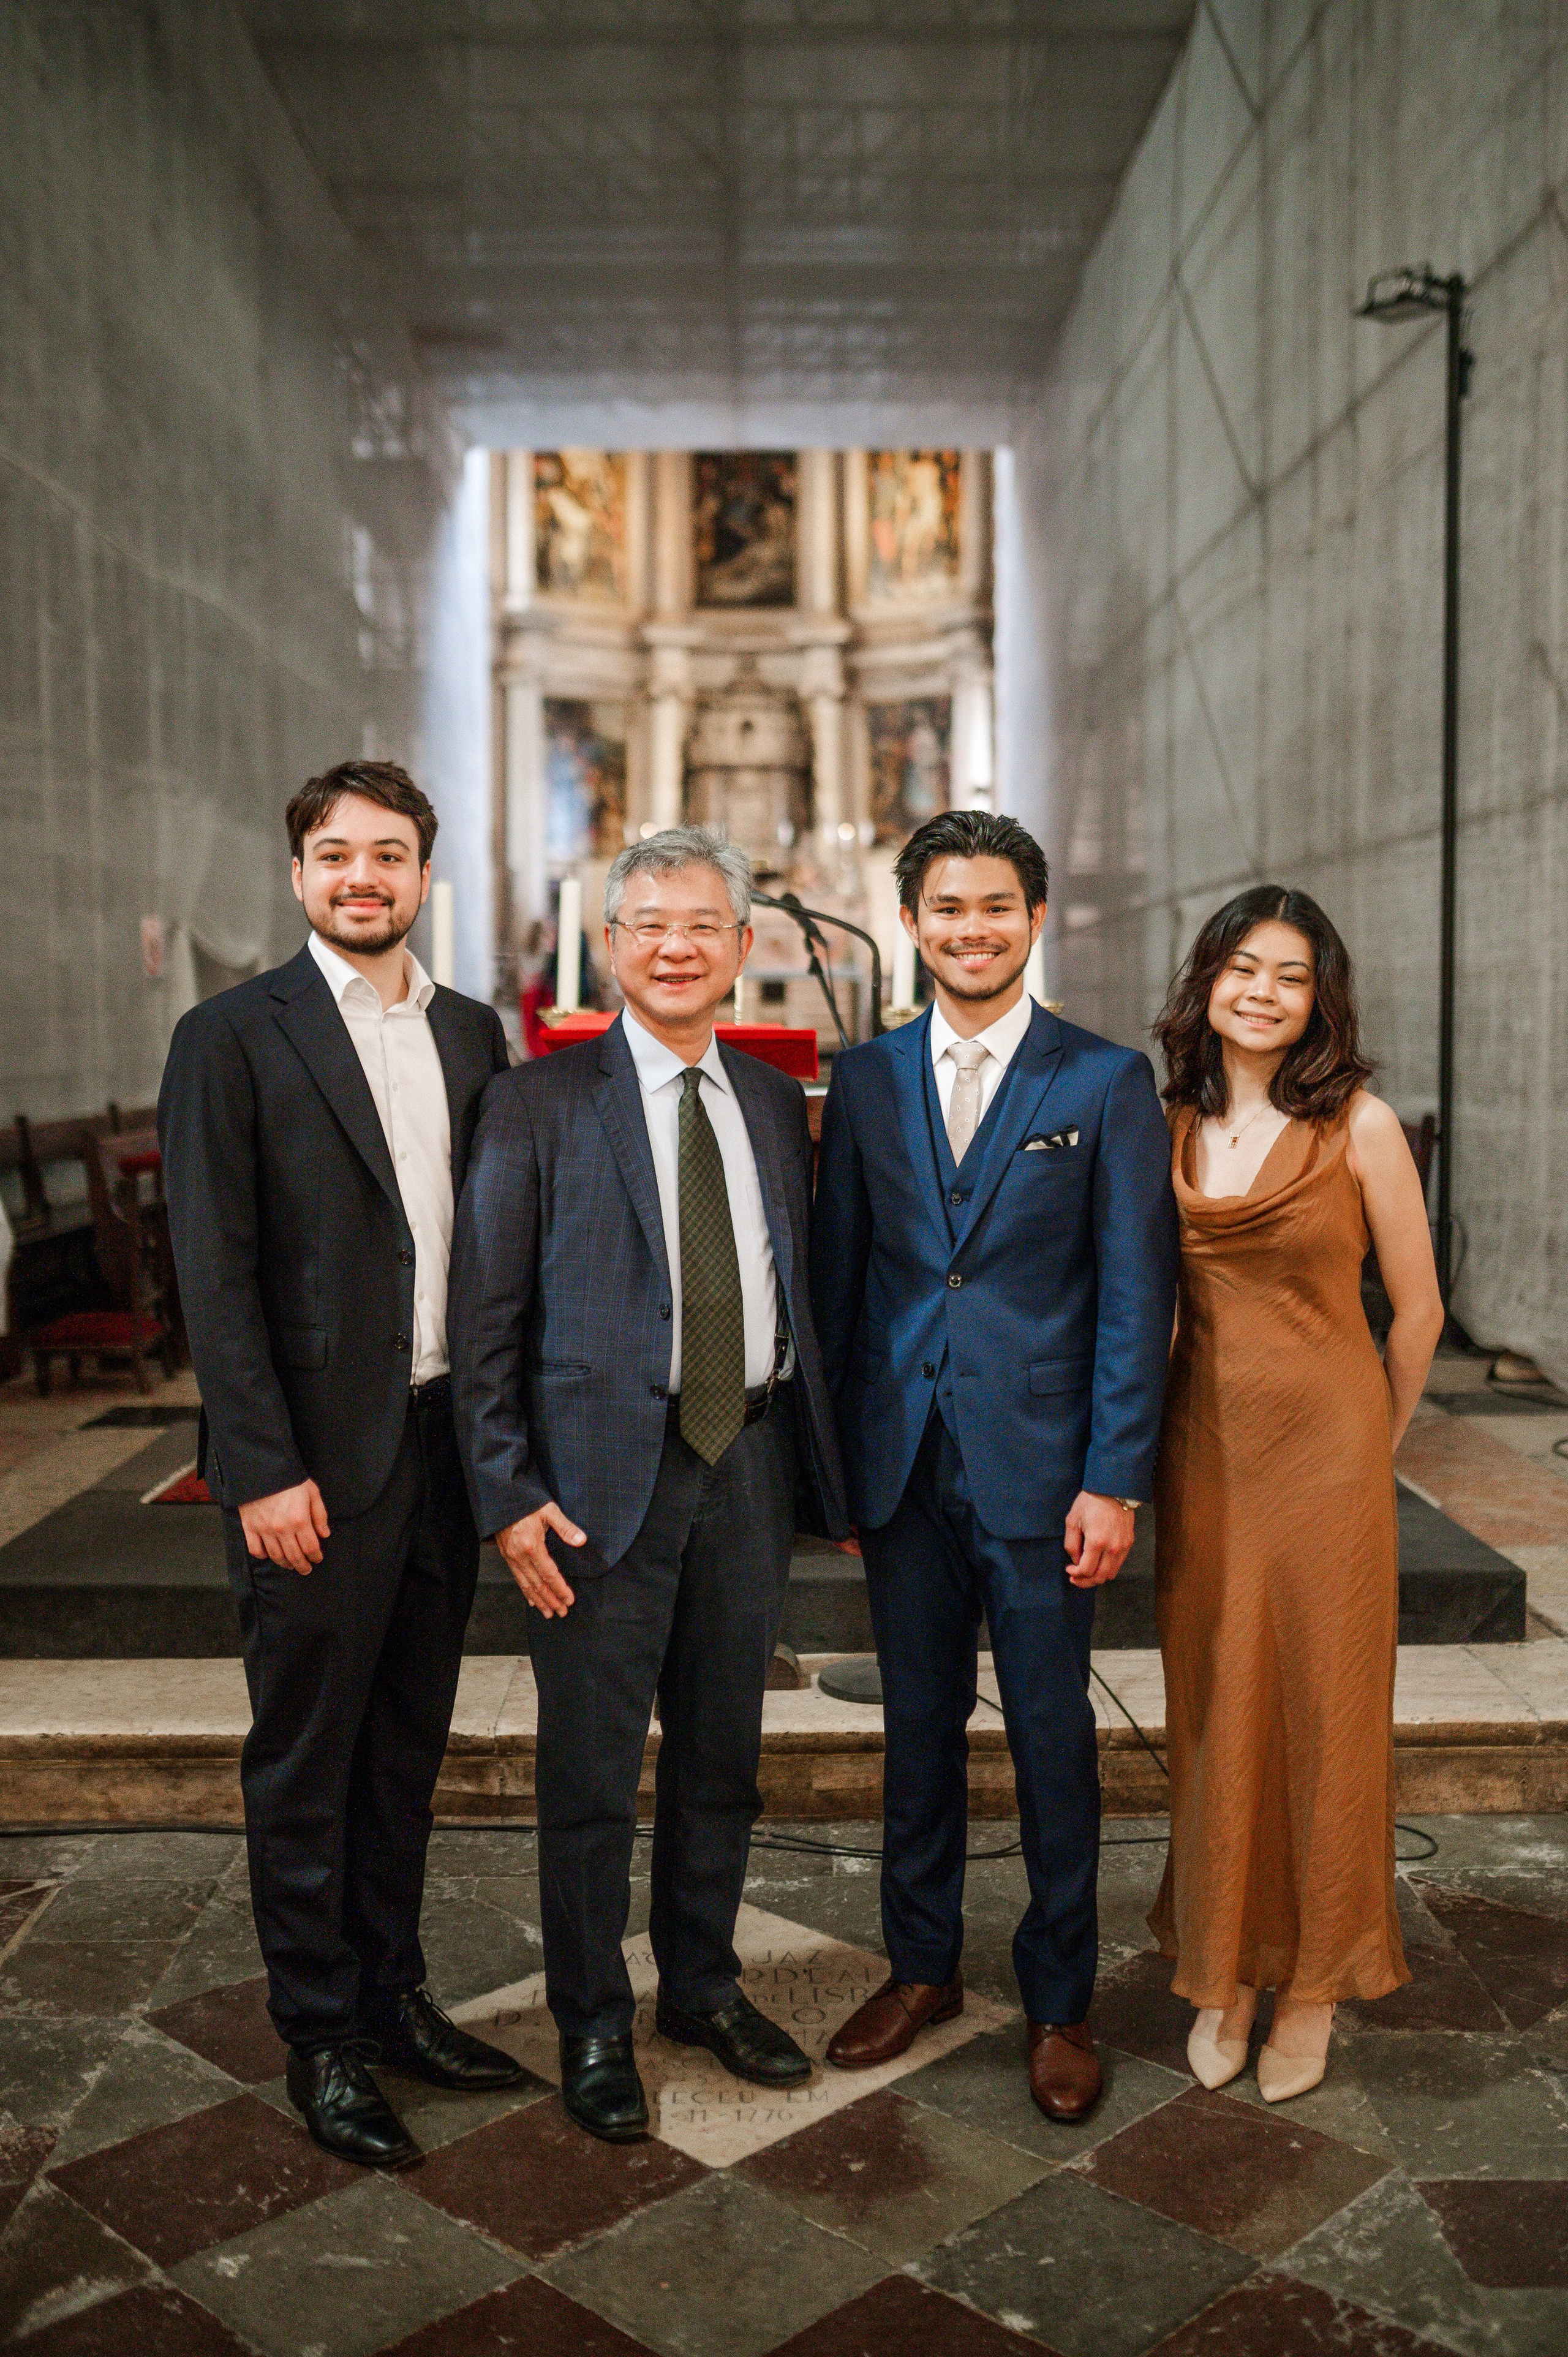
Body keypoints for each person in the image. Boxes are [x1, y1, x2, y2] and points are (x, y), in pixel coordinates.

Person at [450, 824, 849, 2142]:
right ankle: (589, 2019)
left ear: (744, 946)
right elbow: (485, 1316)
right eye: (650, 925)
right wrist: (506, 1491)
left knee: (722, 1759)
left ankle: (701, 1986)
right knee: (589, 1774)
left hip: (747, 1462)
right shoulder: (537, 1102)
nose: (676, 948)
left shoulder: (774, 1104)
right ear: (610, 944)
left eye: (701, 926)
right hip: (591, 1483)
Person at [158, 760, 523, 2168]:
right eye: (333, 854)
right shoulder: (230, 1035)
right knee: (308, 1759)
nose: (361, 876)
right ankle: (319, 2035)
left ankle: (391, 1995)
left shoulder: (473, 1031)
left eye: (386, 854)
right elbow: (213, 1269)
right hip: (311, 1461)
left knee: (404, 1748)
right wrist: (258, 1466)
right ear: (298, 874)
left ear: (424, 874)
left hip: (441, 1447)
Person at [811, 810, 1178, 2121]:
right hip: (904, 1463)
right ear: (911, 923)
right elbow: (840, 1285)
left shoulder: (1103, 1081)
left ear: (1034, 920)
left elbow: (1137, 1295)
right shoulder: (863, 1079)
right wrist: (838, 1474)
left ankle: (1060, 1999)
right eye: (947, 908)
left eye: (996, 907)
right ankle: (920, 1968)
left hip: (1045, 1469)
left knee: (1048, 1737)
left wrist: (1113, 1477)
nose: (972, 930)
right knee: (916, 1730)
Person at [1148, 887, 1443, 2100]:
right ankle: (1221, 1970)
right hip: (1202, 1457)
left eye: (1290, 975)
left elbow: (1417, 1310)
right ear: (1207, 980)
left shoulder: (1360, 1125)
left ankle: (1313, 1987)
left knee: (1325, 1717)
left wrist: (1372, 1445)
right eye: (1242, 967)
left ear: (1321, 999)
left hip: (1326, 1462)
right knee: (1216, 1709)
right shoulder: (1169, 1121)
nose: (1262, 992)